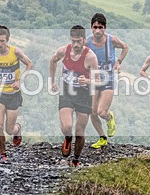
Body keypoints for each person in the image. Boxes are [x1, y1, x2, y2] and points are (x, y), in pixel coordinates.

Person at [0, 25, 33, 163]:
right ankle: (3, 155)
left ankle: (18, 130)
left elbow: (29, 65)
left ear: (7, 40)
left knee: (9, 130)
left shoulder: (15, 52)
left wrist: (20, 80)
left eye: (2, 41)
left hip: (13, 94)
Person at [50, 25, 100, 167]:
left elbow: (98, 80)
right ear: (70, 40)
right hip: (67, 91)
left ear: (85, 40)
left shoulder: (90, 57)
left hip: (84, 94)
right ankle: (67, 138)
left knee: (79, 131)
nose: (76, 45)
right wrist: (53, 81)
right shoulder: (63, 51)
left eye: (79, 41)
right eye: (74, 41)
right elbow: (53, 60)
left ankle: (76, 160)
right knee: (67, 126)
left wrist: (87, 81)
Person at [86, 13, 129, 149]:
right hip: (93, 80)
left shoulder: (111, 40)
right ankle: (102, 138)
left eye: (100, 27)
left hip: (108, 79)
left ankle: (110, 118)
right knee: (92, 112)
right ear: (91, 27)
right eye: (95, 27)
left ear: (105, 27)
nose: (98, 31)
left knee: (101, 112)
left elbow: (125, 47)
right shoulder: (87, 42)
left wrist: (118, 62)